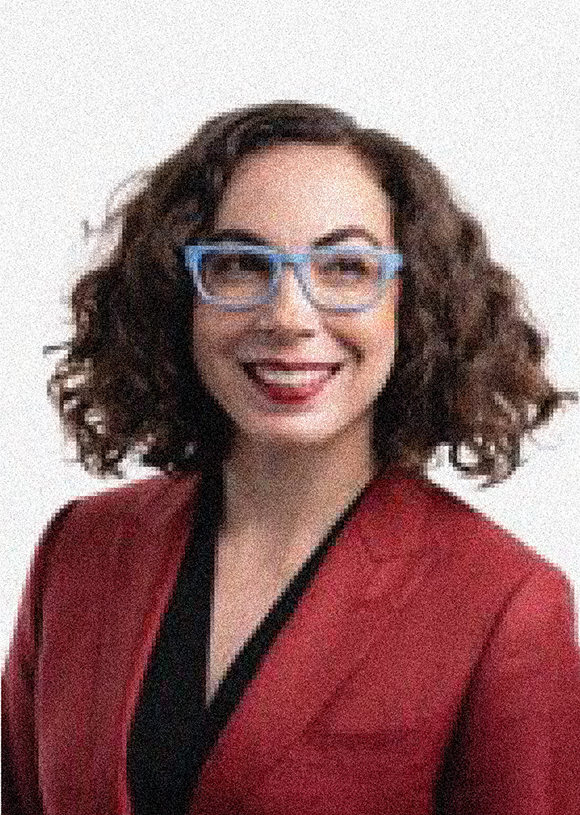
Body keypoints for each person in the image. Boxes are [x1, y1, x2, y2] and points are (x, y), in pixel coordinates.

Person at [2, 100, 579, 815]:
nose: (288, 316)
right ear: (179, 296)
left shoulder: (504, 604)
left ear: (416, 300)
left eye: (344, 266)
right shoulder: (78, 551)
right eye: (241, 264)